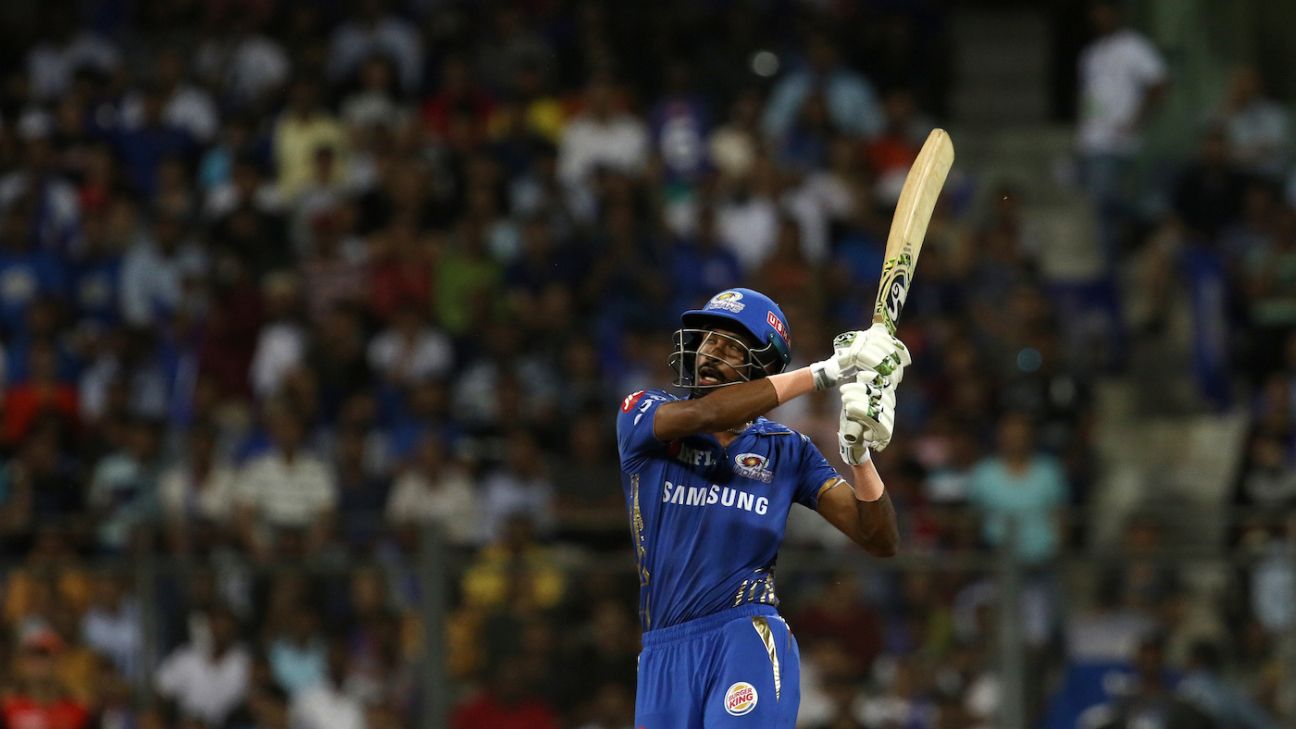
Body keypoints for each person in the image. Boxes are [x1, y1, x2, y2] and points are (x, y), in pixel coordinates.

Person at [616, 287, 906, 727]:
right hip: (662, 652)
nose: (711, 353)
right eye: (709, 340)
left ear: (764, 367)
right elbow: (704, 416)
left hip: (744, 636)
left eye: (731, 347)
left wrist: (860, 458)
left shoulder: (789, 450)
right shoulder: (644, 413)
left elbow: (880, 539)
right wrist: (825, 372)